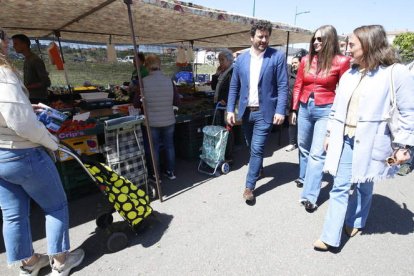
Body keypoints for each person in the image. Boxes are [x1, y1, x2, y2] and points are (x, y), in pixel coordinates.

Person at [313, 25, 414, 251]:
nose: (346, 49)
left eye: (351, 45)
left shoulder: (395, 72)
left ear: (368, 45)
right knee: (340, 186)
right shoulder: (350, 74)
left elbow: (409, 112)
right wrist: (330, 132)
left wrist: (404, 145)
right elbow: (336, 107)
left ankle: (356, 220)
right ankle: (330, 236)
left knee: (364, 183)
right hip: (345, 138)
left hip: (374, 140)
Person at [0, 29, 84, 276]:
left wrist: (25, 106)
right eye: (5, 39)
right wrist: (50, 141)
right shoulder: (4, 74)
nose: (7, 44)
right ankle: (61, 260)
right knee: (55, 206)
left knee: (13, 215)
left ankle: (29, 263)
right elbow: (22, 123)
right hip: (23, 152)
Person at [290, 25, 350, 211]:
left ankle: (309, 196)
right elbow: (298, 85)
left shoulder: (341, 61)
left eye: (320, 39)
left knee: (317, 153)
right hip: (304, 108)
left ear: (329, 40)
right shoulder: (306, 60)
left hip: (326, 109)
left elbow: (345, 90)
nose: (316, 42)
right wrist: (293, 109)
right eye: (314, 39)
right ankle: (304, 177)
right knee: (303, 147)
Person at [227, 20, 289, 202]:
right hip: (246, 111)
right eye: (260, 36)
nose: (263, 40)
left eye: (266, 37)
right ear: (251, 37)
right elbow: (234, 87)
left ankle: (249, 186)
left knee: (256, 148)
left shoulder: (277, 57)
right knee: (250, 144)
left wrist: (280, 110)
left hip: (265, 112)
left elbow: (283, 86)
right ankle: (259, 168)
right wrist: (230, 109)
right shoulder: (241, 60)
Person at [143, 54, 177, 180]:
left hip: (152, 122)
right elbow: (176, 101)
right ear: (159, 65)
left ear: (147, 66)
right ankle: (171, 172)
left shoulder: (143, 82)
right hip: (169, 120)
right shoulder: (168, 80)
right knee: (169, 146)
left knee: (154, 148)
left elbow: (136, 102)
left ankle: (156, 175)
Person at [11, 34, 51, 104]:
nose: (13, 46)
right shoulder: (27, 59)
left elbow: (46, 82)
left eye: (16, 43)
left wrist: (25, 87)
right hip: (30, 97)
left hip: (38, 99)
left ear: (24, 44)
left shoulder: (35, 60)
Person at [211, 49, 234, 161]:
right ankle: (221, 153)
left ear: (229, 60)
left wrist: (225, 99)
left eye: (222, 59)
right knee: (221, 130)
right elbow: (213, 87)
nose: (220, 62)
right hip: (220, 105)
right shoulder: (223, 72)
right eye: (219, 59)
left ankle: (228, 156)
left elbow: (233, 88)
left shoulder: (232, 72)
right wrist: (216, 74)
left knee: (227, 131)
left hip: (226, 106)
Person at [285, 55, 302, 152]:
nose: (293, 64)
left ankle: (301, 142)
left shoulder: (304, 74)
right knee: (292, 122)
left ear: (301, 63)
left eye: (295, 62)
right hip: (291, 102)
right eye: (292, 62)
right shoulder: (289, 74)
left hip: (302, 103)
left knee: (301, 124)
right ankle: (292, 143)